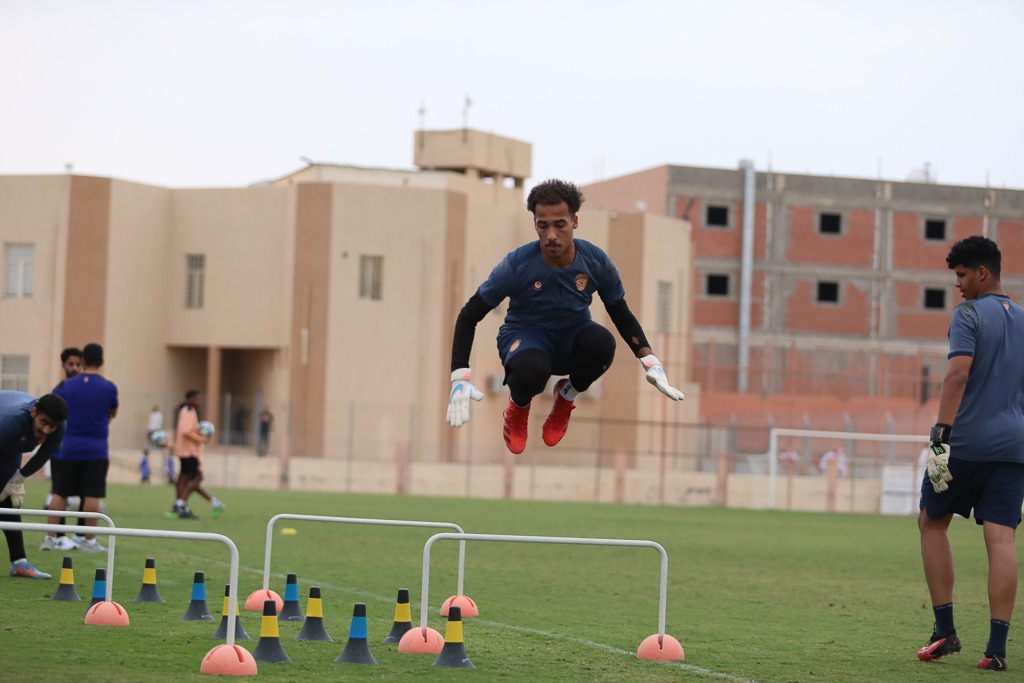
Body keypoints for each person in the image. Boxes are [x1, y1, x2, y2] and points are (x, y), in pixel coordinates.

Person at [445, 179, 684, 454]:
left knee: (602, 343)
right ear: (534, 224)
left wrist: (650, 361)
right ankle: (519, 406)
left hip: (571, 338)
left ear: (575, 221)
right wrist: (459, 377)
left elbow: (620, 312)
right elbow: (468, 316)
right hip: (527, 338)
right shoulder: (516, 265)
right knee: (532, 370)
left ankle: (565, 397)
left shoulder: (596, 262)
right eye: (542, 225)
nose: (551, 235)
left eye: (560, 224)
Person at [917, 236, 1024, 672]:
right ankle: (996, 649)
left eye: (961, 275)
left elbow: (956, 376)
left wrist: (940, 436)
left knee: (931, 519)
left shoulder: (967, 314)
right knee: (1002, 538)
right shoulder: (1021, 316)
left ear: (982, 273)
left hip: (969, 441)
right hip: (1016, 444)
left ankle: (945, 631)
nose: (958, 285)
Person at [46, 343, 118, 553]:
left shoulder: (68, 386)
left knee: (60, 493)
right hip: (96, 449)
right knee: (92, 495)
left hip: (69, 447)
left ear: (83, 361)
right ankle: (89, 541)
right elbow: (112, 412)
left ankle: (50, 537)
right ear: (102, 362)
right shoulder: (109, 387)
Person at [0, 391, 68, 579]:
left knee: (8, 500)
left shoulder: (59, 427)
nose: (46, 430)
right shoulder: (11, 421)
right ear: (34, 412)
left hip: (10, 444)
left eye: (51, 426)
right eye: (43, 422)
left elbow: (43, 455)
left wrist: (18, 478)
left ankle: (19, 563)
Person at [41, 346, 83, 552]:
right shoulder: (59, 392)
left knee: (86, 492)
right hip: (62, 449)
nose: (74, 368)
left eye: (78, 364)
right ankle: (57, 536)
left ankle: (81, 536)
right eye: (70, 364)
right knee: (61, 492)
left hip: (81, 449)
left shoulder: (86, 390)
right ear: (64, 365)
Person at [170, 390, 224, 519]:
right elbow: (186, 431)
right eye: (196, 399)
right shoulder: (188, 411)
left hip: (185, 451)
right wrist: (202, 439)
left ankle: (213, 503)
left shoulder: (185, 410)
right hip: (189, 452)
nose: (198, 401)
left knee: (184, 480)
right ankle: (180, 504)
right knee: (197, 478)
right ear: (189, 399)